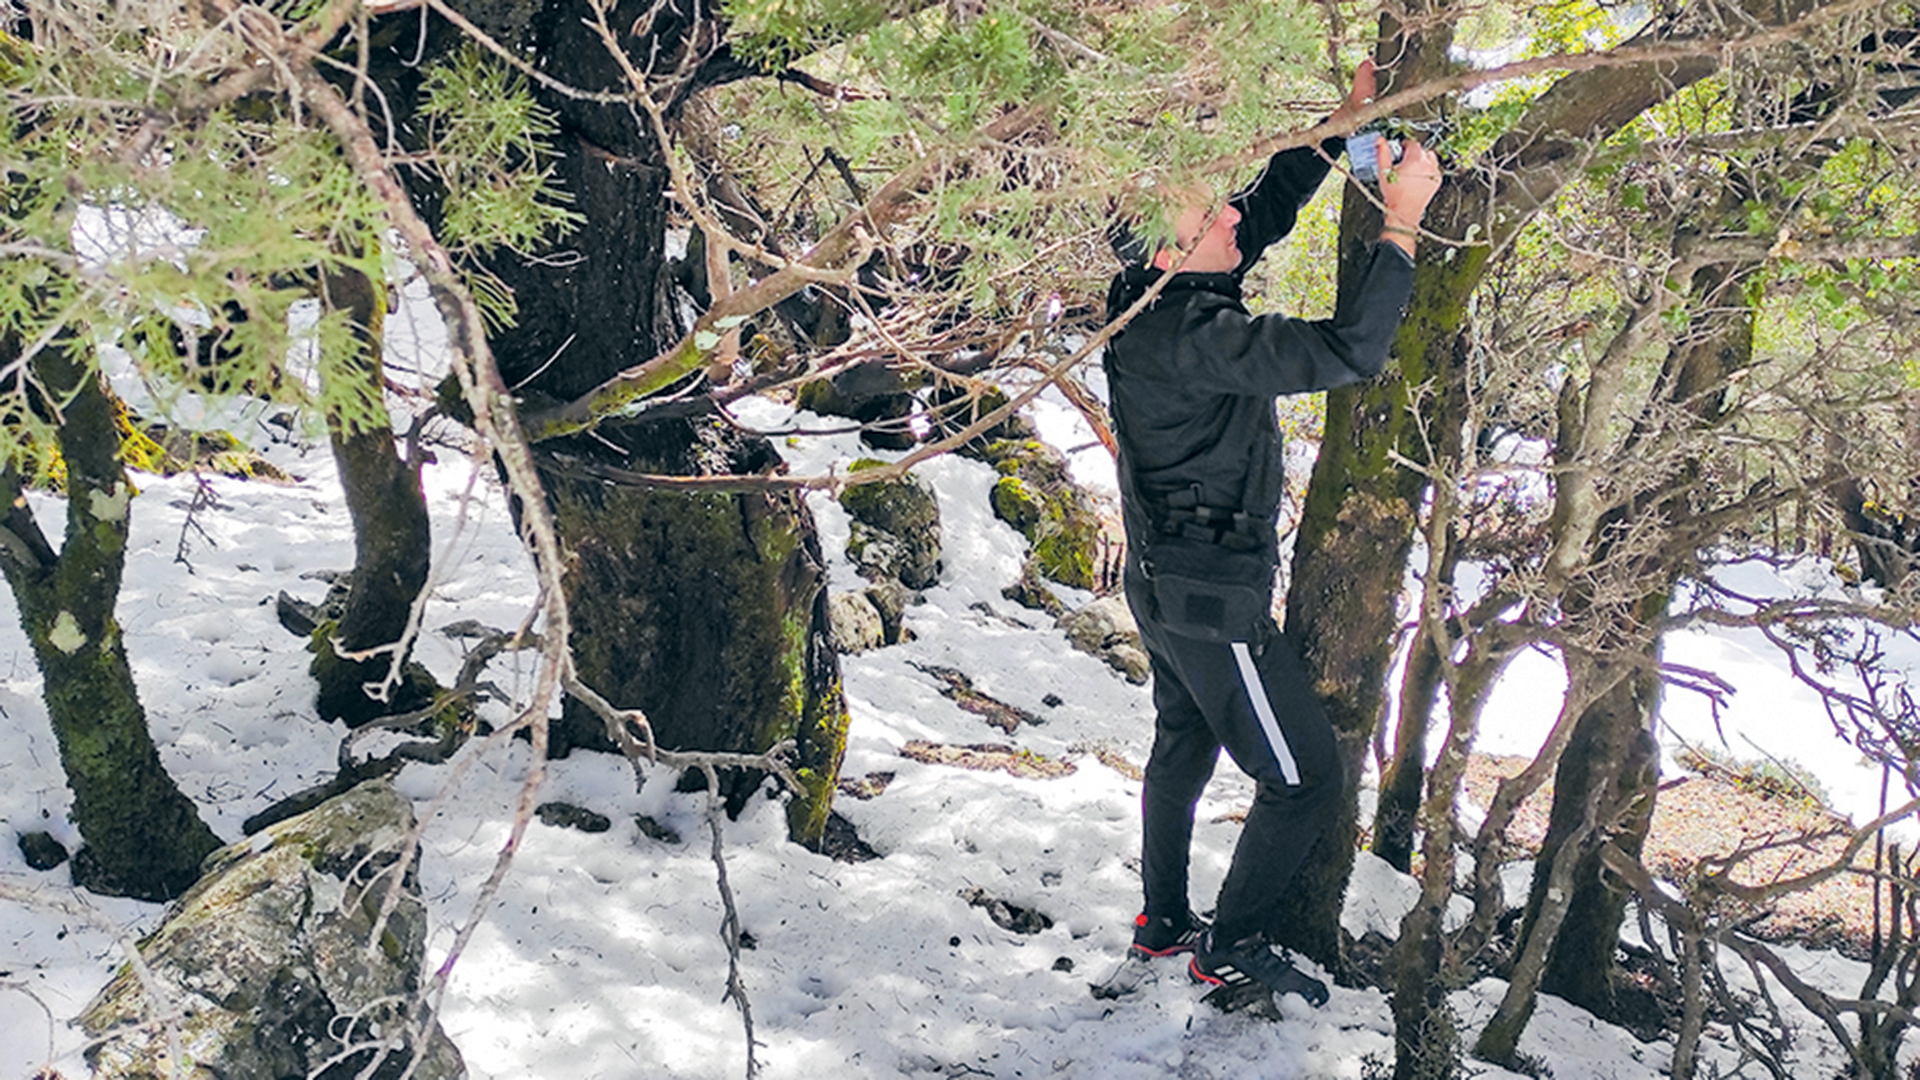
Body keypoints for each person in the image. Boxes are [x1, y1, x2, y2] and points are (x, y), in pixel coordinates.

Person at [1101, 61, 1443, 1007]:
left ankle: (1162, 924)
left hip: (1167, 582)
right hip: (1211, 597)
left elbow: (1264, 210)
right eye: (1207, 219)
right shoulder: (1196, 340)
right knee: (1306, 780)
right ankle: (1231, 942)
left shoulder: (1153, 303)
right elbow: (1347, 352)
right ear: (1171, 256)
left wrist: (1338, 129)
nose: (1228, 221)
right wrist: (1402, 220)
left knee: (1182, 744)